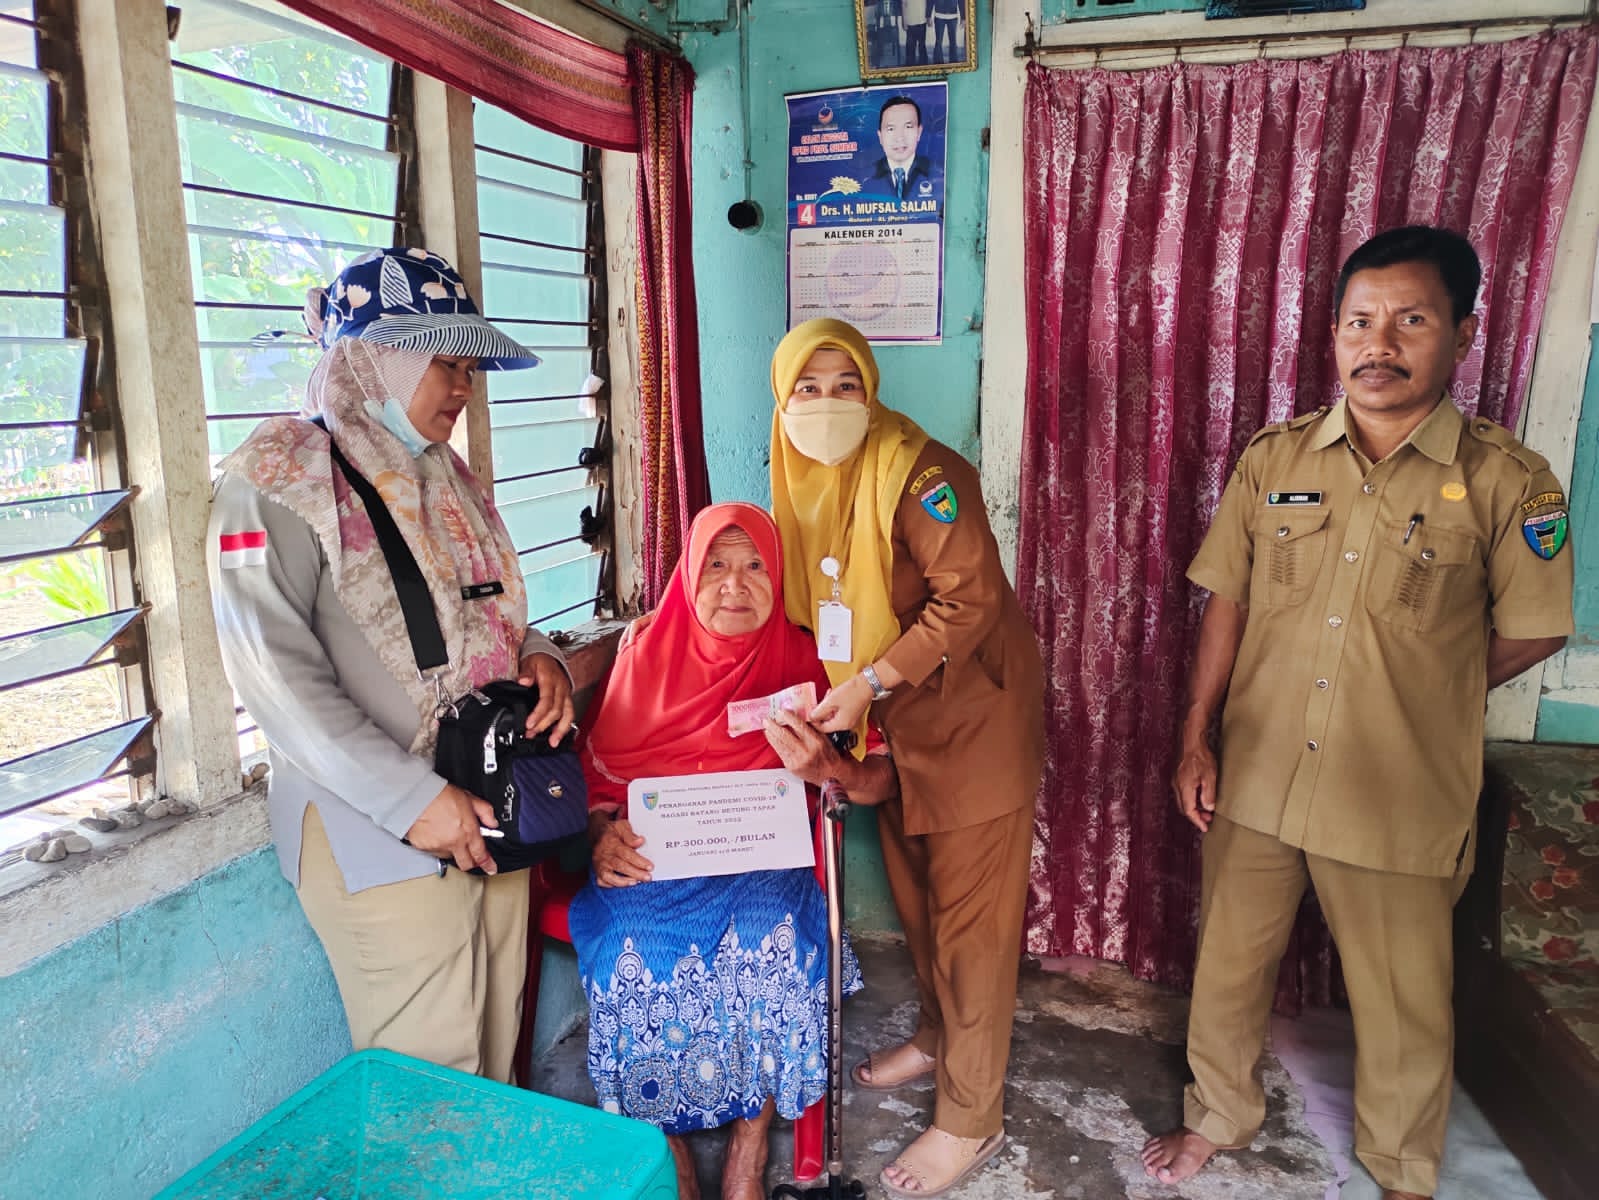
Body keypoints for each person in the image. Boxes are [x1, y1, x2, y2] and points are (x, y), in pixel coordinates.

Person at [1140, 226, 1574, 1200]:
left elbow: (1537, 628)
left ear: (1463, 334)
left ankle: (1401, 1169)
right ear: (1334, 334)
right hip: (1260, 770)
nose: (1378, 344)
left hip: (1395, 787)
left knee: (1402, 998)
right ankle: (1217, 1116)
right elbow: (1228, 601)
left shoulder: (1508, 480)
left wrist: (1428, 686)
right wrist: (1195, 734)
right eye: (1358, 322)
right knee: (1229, 965)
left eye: (1410, 321)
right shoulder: (1276, 458)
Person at [207, 247, 575, 1083]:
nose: (463, 386)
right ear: (375, 357)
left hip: (487, 798)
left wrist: (540, 655)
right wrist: (412, 801)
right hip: (375, 824)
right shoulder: (278, 481)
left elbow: (488, 614)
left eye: (468, 368)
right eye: (445, 363)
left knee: (496, 1049)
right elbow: (275, 677)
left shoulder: (444, 477)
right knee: (430, 1076)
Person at [768, 318, 1045, 1198]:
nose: (825, 405)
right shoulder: (801, 480)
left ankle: (970, 1117)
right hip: (893, 733)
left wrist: (869, 683)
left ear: (871, 391)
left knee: (971, 935)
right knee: (920, 905)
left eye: (844, 386)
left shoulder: (924, 475)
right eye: (806, 389)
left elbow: (970, 601)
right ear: (782, 401)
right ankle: (935, 1037)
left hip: (971, 724)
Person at [567, 502, 898, 1200]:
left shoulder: (806, 657)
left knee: (772, 940)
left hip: (763, 855)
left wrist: (828, 768)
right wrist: (600, 832)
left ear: (778, 578)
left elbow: (876, 776)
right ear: (688, 576)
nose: (734, 584)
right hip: (658, 855)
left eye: (754, 566)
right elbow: (597, 779)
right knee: (632, 948)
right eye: (715, 564)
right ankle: (669, 1146)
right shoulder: (644, 654)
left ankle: (751, 1140)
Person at [859, 95, 938, 203]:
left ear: (919, 132)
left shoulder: (936, 174)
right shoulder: (865, 179)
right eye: (891, 129)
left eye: (908, 127)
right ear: (880, 136)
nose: (900, 137)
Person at [931, 0, 962, 64]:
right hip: (939, 16)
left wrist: (963, 17)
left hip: (953, 16)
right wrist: (928, 15)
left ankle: (954, 63)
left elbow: (961, 1)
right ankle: (938, 64)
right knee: (938, 41)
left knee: (953, 42)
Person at [902, 0, 930, 68]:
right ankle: (910, 65)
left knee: (922, 45)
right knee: (910, 46)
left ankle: (923, 65)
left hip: (922, 21)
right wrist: (904, 21)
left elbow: (927, 3)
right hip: (911, 21)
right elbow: (903, 4)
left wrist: (928, 17)